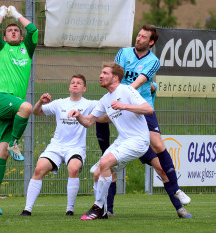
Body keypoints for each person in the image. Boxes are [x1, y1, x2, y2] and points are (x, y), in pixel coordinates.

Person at [113, 24, 192, 218]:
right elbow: (115, 77)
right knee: (107, 166)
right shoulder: (123, 53)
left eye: (143, 37)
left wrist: (125, 95)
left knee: (158, 152)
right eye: (138, 35)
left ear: (151, 42)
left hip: (140, 109)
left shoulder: (153, 61)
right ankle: (106, 209)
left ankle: (179, 202)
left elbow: (139, 82)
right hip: (123, 114)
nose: (138, 38)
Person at [68, 62, 153, 220]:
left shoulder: (126, 90)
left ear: (115, 78)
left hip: (138, 140)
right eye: (101, 73)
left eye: (105, 73)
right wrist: (78, 115)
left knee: (105, 162)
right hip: (123, 140)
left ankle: (97, 206)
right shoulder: (105, 100)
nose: (101, 76)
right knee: (98, 173)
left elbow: (148, 109)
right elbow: (88, 122)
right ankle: (104, 211)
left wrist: (124, 106)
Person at [19, 74, 98, 217]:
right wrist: (40, 102)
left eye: (79, 83)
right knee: (38, 169)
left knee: (73, 168)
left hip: (75, 148)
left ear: (84, 88)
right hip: (56, 146)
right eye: (72, 82)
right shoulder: (59, 103)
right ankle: (27, 210)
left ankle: (70, 210)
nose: (75, 84)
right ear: (69, 87)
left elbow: (105, 108)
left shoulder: (90, 104)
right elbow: (37, 112)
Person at [0, 5, 38, 215]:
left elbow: (33, 31)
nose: (14, 31)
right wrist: (1, 13)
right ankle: (16, 143)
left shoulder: (27, 49)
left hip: (11, 107)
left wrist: (16, 15)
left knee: (2, 151)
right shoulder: (0, 48)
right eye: (9, 31)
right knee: (26, 107)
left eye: (17, 30)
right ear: (4, 37)